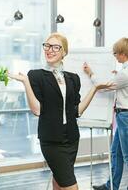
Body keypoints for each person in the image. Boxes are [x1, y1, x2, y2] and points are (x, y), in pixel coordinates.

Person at [8, 33, 113, 190]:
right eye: (47, 46)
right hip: (51, 141)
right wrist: (25, 83)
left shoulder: (73, 78)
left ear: (64, 52)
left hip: (71, 139)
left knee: (59, 182)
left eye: (55, 47)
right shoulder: (36, 75)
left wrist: (95, 89)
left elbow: (77, 111)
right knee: (71, 186)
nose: (50, 50)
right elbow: (37, 110)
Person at [83, 37, 128, 190]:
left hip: (125, 117)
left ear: (123, 53)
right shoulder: (124, 71)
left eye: (115, 53)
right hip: (122, 117)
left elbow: (102, 87)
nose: (114, 56)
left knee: (127, 156)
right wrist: (118, 74)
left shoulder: (125, 73)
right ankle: (111, 186)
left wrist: (90, 73)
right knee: (116, 153)